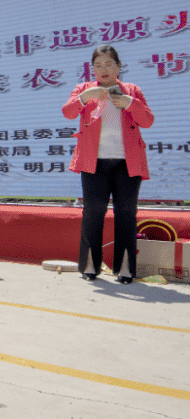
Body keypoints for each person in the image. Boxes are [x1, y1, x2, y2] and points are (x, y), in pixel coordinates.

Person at [62, 45, 153, 284]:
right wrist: (86, 96)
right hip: (94, 162)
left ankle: (124, 269)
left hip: (127, 162)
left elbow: (148, 120)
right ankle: (90, 265)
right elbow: (68, 112)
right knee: (93, 212)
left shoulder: (131, 91)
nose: (103, 69)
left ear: (119, 67)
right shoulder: (84, 89)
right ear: (92, 68)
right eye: (98, 65)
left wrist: (130, 103)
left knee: (126, 213)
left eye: (108, 64)